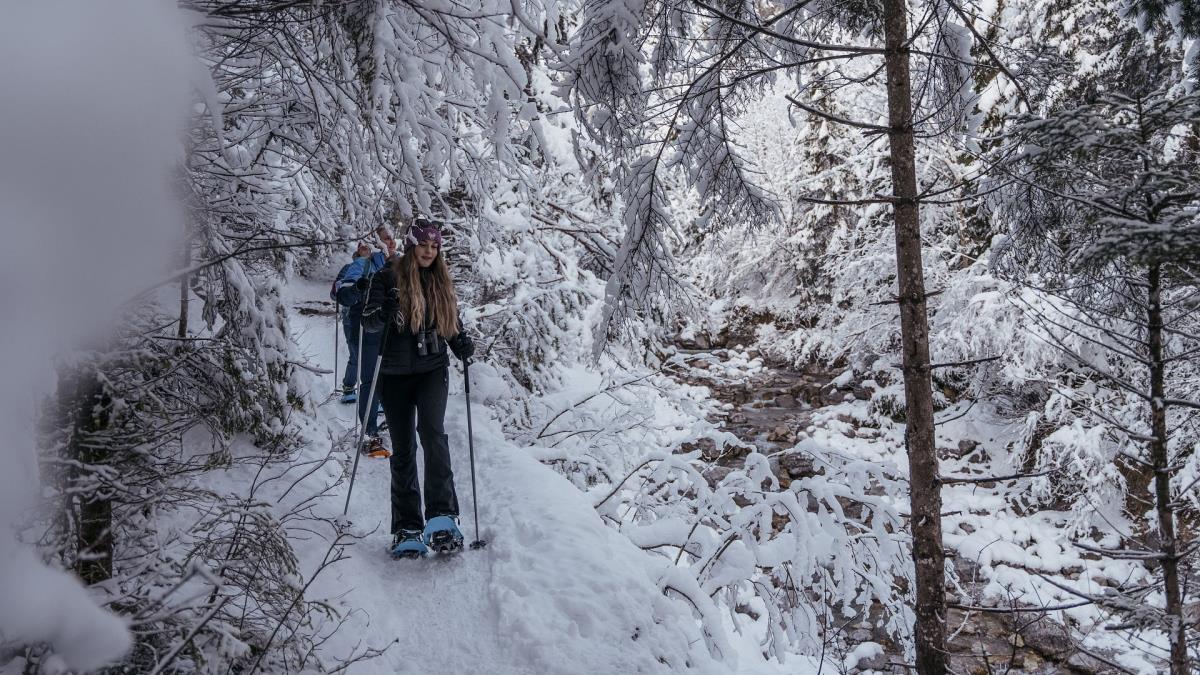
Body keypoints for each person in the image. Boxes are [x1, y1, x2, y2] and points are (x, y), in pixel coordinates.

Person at [362, 218, 475, 558]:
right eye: (423, 245)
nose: (429, 251)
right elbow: (368, 320)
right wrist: (384, 310)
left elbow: (450, 323)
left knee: (433, 434)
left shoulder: (440, 280)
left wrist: (460, 343)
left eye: (434, 246)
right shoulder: (387, 277)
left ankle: (442, 517)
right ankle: (407, 526)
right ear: (411, 246)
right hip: (393, 373)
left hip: (432, 370)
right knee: (404, 447)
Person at [333, 228, 397, 458]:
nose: (390, 242)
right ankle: (369, 434)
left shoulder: (399, 264)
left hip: (393, 332)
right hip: (367, 331)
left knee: (391, 379)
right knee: (371, 380)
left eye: (391, 238)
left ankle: (389, 421)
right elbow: (344, 296)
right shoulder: (362, 264)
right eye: (385, 239)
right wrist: (358, 288)